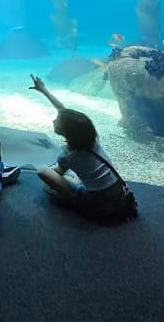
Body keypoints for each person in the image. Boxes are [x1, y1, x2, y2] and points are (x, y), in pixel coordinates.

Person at [29, 74, 136, 221]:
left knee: (43, 171)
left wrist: (57, 172)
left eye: (57, 121)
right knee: (75, 175)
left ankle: (75, 202)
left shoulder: (67, 155)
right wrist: (44, 90)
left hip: (97, 205)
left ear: (67, 131)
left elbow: (58, 173)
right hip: (120, 195)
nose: (53, 120)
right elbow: (64, 112)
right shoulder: (92, 141)